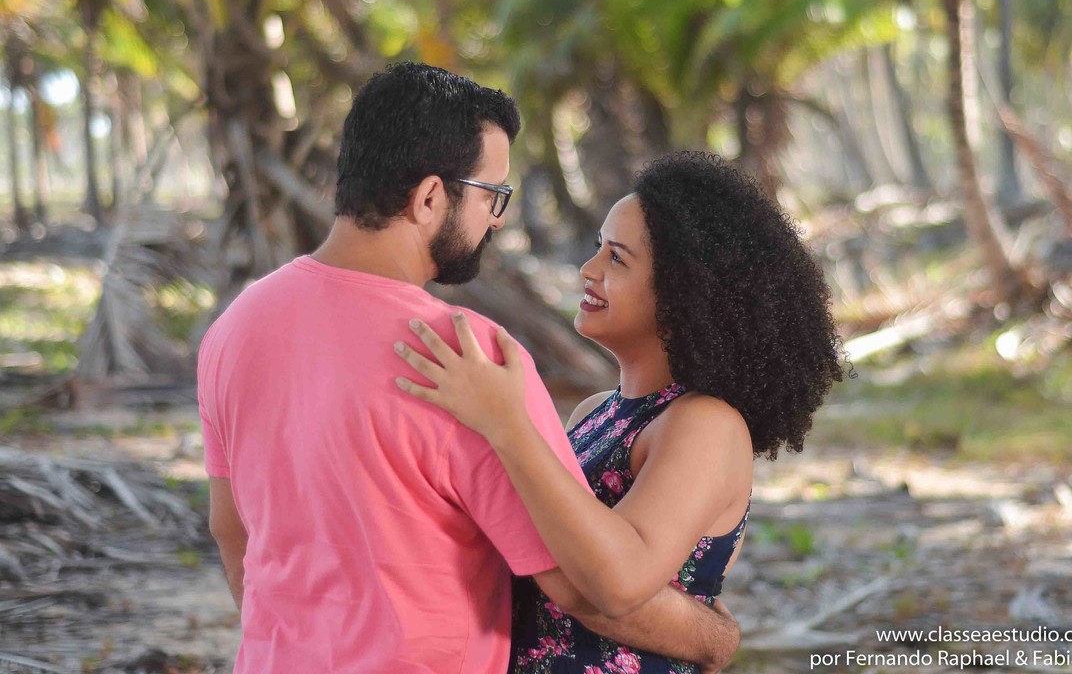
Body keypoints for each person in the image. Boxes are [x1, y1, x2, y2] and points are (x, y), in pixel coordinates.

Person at [198, 64, 739, 673]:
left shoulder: (235, 327)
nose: (498, 220)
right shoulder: (467, 358)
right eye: (492, 195)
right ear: (430, 197)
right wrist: (712, 638)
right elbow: (586, 589)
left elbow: (233, 531)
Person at [395, 150, 845, 673]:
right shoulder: (594, 413)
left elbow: (618, 582)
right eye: (597, 249)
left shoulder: (705, 424)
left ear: (684, 294)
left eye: (617, 258)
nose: (589, 270)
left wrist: (505, 424)